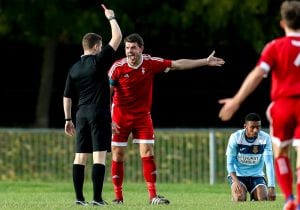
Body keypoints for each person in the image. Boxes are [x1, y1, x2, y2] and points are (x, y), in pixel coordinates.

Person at [108, 33, 225, 205]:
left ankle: (153, 196)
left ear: (141, 48)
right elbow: (106, 93)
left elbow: (177, 64)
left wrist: (204, 61)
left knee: (148, 152)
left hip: (142, 116)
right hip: (120, 115)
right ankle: (118, 197)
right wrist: (107, 119)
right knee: (118, 154)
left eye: (133, 47)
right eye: (127, 48)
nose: (129, 51)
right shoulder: (117, 67)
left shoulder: (150, 63)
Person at [218, 1, 300, 209]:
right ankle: (298, 200)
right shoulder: (238, 137)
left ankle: (290, 199)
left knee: (281, 154)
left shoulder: (274, 46)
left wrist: (236, 101)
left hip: (283, 106)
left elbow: (258, 74)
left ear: (283, 23)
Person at [63, 4, 122, 206]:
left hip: (80, 114)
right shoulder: (98, 62)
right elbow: (117, 38)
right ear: (97, 47)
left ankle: (79, 199)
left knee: (80, 157)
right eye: (101, 45)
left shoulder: (74, 68)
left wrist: (67, 119)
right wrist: (111, 18)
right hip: (98, 113)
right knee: (99, 157)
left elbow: (67, 96)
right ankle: (97, 198)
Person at [226, 113, 276, 202]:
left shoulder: (265, 138)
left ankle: (254, 195)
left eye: (258, 127)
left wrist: (271, 187)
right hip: (238, 176)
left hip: (257, 175)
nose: (256, 130)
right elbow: (230, 163)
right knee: (239, 198)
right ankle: (235, 196)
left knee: (263, 199)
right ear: (245, 126)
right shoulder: (236, 137)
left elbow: (269, 164)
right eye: (252, 127)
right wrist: (236, 181)